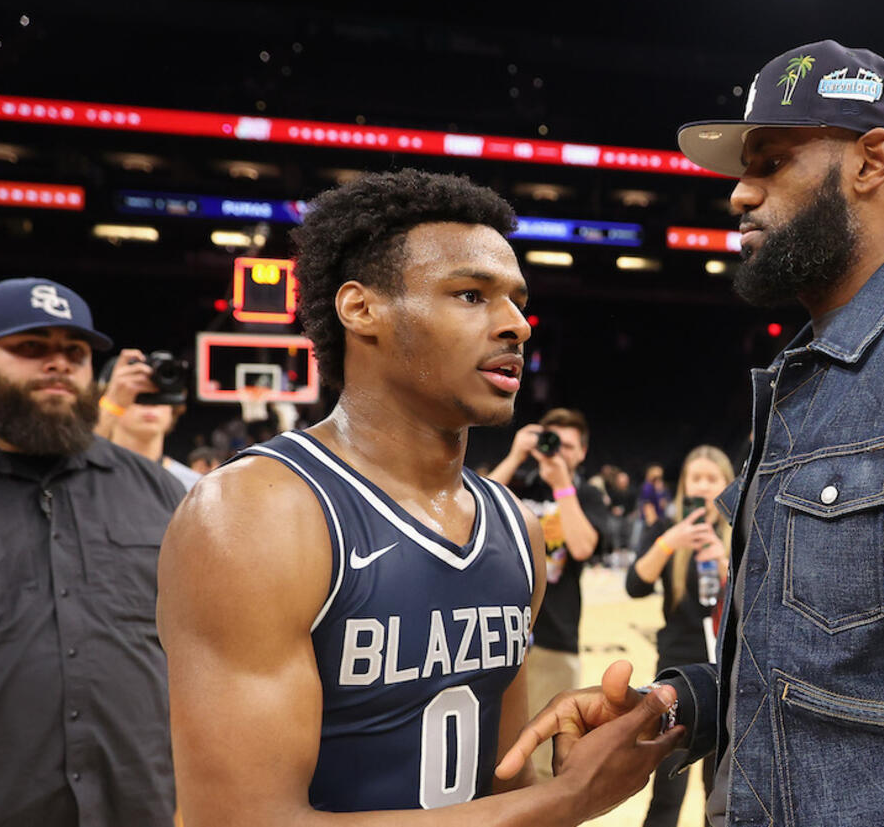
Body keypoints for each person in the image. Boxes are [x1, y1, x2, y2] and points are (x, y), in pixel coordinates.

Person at [505, 40, 884, 825]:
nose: (738, 194)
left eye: (769, 162)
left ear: (871, 161)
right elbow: (838, 669)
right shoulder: (810, 370)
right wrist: (681, 701)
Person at [157, 170, 681, 824]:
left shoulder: (512, 526)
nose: (516, 323)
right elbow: (239, 819)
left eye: (518, 300)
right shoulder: (255, 512)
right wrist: (567, 799)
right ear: (361, 308)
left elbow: (501, 785)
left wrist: (571, 765)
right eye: (471, 294)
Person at [0, 277, 185, 826]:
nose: (57, 364)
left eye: (74, 352)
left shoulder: (155, 490)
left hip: (135, 810)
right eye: (30, 348)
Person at [487, 408, 616, 778]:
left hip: (555, 639)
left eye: (569, 447)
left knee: (542, 761)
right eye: (552, 443)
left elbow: (581, 547)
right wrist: (514, 456)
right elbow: (472, 511)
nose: (559, 453)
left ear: (582, 453)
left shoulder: (587, 494)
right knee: (494, 753)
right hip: (503, 633)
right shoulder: (521, 485)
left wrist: (563, 484)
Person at [625, 446, 733, 827]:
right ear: (684, 484)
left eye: (711, 478)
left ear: (728, 484)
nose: (703, 486)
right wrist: (672, 541)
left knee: (718, 792)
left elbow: (754, 599)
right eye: (695, 478)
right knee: (667, 791)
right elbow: (635, 584)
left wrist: (723, 561)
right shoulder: (667, 531)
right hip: (676, 675)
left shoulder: (741, 533)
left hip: (727, 675)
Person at [98, 352, 202, 490]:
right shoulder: (86, 478)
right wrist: (111, 407)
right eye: (139, 394)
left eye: (161, 393)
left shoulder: (195, 487)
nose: (150, 404)